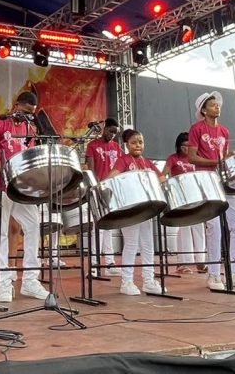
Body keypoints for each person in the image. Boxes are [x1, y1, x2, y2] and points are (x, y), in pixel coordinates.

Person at [187, 93, 235, 291]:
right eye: (212, 105)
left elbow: (224, 156)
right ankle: (214, 275)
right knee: (214, 227)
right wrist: (216, 162)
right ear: (203, 110)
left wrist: (230, 158)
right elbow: (192, 157)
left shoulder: (224, 131)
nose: (217, 107)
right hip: (206, 179)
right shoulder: (196, 129)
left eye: (217, 104)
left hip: (224, 180)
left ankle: (234, 272)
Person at [0, 91, 49, 303]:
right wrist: (4, 171)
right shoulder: (0, 124)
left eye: (31, 113)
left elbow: (29, 158)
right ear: (16, 105)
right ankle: (3, 284)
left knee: (33, 225)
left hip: (21, 188)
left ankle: (30, 281)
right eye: (25, 111)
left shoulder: (31, 129)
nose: (27, 116)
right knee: (1, 233)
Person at [107, 129, 165, 295]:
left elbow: (162, 179)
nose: (138, 145)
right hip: (130, 208)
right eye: (133, 142)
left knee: (148, 244)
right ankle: (126, 282)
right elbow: (111, 178)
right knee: (131, 243)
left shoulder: (147, 163)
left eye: (140, 142)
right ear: (127, 145)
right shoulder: (123, 160)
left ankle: (148, 281)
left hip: (145, 208)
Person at [163, 132, 206, 274]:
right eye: (184, 145)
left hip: (196, 196)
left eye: (189, 145)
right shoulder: (173, 158)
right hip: (181, 197)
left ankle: (201, 261)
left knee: (199, 227)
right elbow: (164, 174)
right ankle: (183, 263)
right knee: (184, 229)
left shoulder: (196, 158)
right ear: (178, 146)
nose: (187, 148)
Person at [85, 118, 122, 276]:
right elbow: (91, 169)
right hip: (98, 188)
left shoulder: (117, 147)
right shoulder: (92, 145)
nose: (112, 135)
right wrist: (96, 187)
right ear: (104, 128)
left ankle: (110, 263)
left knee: (109, 227)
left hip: (112, 189)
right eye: (110, 131)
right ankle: (94, 264)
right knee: (98, 228)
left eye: (115, 133)